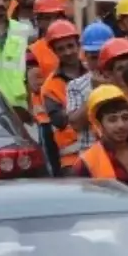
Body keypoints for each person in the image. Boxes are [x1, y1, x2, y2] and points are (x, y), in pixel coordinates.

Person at [71, 85, 128, 187]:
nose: (121, 125)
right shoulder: (87, 162)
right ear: (99, 124)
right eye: (112, 120)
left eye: (125, 118)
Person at [37, 20, 85, 170]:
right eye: (61, 48)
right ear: (54, 51)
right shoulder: (49, 87)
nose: (68, 52)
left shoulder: (94, 73)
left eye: (70, 46)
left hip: (101, 153)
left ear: (78, 45)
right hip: (72, 161)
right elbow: (60, 121)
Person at [64, 22, 115, 160]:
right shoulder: (75, 85)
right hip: (90, 156)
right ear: (85, 56)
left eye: (104, 55)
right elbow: (76, 124)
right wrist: (96, 93)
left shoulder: (123, 81)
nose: (100, 62)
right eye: (94, 57)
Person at [0, 0, 31, 115]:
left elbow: (30, 69)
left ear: (10, 2)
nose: (0, 3)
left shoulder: (23, 31)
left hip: (16, 107)